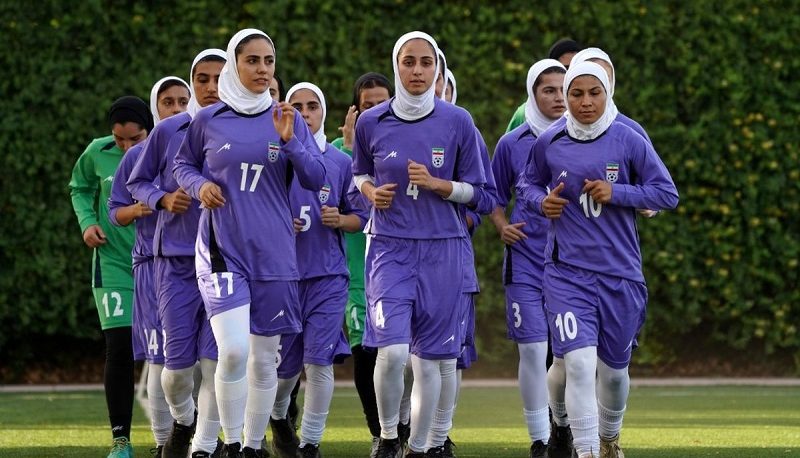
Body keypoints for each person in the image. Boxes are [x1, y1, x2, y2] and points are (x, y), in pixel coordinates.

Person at [173, 28, 325, 458]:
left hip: (274, 254)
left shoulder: (287, 118)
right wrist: (200, 185)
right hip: (222, 251)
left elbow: (316, 178)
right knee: (234, 351)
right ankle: (232, 441)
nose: (262, 69)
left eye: (268, 61)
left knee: (263, 360)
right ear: (234, 65)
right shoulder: (208, 119)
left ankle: (252, 446)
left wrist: (290, 141)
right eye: (252, 60)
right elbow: (183, 165)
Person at [521, 61, 678, 458]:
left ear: (608, 94)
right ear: (567, 96)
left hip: (620, 275)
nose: (585, 101)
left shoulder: (629, 139)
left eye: (595, 93)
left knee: (613, 374)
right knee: (576, 363)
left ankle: (609, 440)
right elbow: (526, 184)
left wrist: (618, 192)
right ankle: (587, 449)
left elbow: (666, 194)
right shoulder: (550, 141)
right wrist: (542, 202)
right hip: (566, 274)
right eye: (576, 93)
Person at [352, 31, 489, 458]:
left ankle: (420, 445)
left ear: (437, 69)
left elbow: (482, 193)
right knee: (392, 352)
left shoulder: (458, 121)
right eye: (408, 62)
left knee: (432, 361)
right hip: (389, 249)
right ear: (396, 66)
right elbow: (359, 173)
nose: (417, 70)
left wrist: (439, 185)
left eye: (425, 62)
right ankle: (388, 436)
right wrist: (370, 192)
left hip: (443, 251)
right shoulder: (371, 122)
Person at [128, 49, 227, 458]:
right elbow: (137, 182)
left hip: (226, 263)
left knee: (216, 364)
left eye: (219, 77)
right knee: (175, 370)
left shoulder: (249, 130)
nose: (211, 87)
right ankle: (183, 421)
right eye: (202, 79)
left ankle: (204, 446)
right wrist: (163, 199)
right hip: (175, 261)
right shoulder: (169, 130)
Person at [270, 82, 366, 458]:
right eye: (297, 106)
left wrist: (340, 219)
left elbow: (361, 217)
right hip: (282, 279)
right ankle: (278, 415)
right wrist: (279, 224)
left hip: (327, 277)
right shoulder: (274, 158)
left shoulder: (340, 162)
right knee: (284, 371)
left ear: (323, 112)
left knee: (319, 361)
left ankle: (310, 442)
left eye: (312, 106)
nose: (305, 113)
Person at [490, 59, 567, 458]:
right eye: (548, 90)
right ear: (532, 95)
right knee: (534, 351)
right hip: (524, 259)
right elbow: (491, 195)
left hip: (572, 263)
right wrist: (502, 225)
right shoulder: (511, 143)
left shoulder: (585, 139)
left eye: (563, 89)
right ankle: (540, 439)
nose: (558, 97)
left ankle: (565, 427)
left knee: (570, 357)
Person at [109, 76, 190, 458]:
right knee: (159, 358)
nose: (176, 109)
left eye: (182, 101)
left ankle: (201, 438)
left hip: (198, 265)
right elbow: (115, 212)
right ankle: (162, 443)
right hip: (152, 266)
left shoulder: (202, 146)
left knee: (202, 361)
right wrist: (142, 207)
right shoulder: (136, 156)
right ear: (155, 108)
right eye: (167, 102)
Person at [69, 95, 153, 458]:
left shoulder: (166, 151)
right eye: (120, 139)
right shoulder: (97, 151)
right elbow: (80, 187)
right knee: (119, 348)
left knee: (168, 353)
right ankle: (121, 440)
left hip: (159, 264)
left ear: (149, 130)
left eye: (135, 139)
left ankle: (177, 435)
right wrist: (88, 222)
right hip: (113, 264)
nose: (126, 147)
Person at [330, 71, 393, 457]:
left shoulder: (404, 144)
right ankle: (379, 433)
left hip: (397, 267)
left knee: (402, 356)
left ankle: (407, 426)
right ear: (355, 110)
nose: (375, 111)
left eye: (381, 103)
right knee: (365, 354)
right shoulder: (338, 152)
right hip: (355, 272)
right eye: (367, 105)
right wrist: (354, 151)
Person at [506, 39, 582, 132]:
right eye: (566, 68)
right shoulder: (523, 114)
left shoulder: (586, 110)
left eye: (576, 68)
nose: (572, 73)